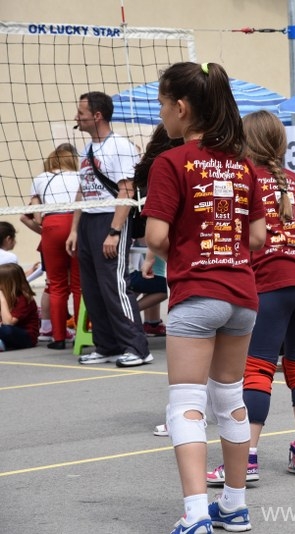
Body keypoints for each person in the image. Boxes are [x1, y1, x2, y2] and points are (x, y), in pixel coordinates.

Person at [142, 61, 266, 534]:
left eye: (162, 105)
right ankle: (234, 505)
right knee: (230, 398)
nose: (161, 114)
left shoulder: (171, 162)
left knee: (186, 405)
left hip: (197, 293)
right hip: (242, 295)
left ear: (180, 107)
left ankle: (195, 514)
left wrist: (187, 251)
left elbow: (156, 237)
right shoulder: (243, 163)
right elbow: (257, 238)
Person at [205, 110, 295, 485]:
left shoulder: (242, 178)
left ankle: (247, 457)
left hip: (274, 278)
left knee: (257, 368)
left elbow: (230, 232)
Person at [65, 91, 151, 367]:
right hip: (89, 221)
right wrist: (74, 229)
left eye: (81, 112)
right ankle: (107, 346)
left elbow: (127, 190)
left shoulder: (120, 146)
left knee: (115, 285)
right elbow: (82, 191)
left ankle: (137, 348)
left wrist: (114, 232)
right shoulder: (86, 149)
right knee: (91, 289)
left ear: (97, 115)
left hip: (110, 219)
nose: (77, 117)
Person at [28, 145, 82, 350]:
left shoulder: (40, 178)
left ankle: (58, 338)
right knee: (78, 285)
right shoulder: (79, 176)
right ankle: (82, 334)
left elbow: (37, 216)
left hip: (51, 224)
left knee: (57, 285)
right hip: (76, 222)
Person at [130, 123, 182, 337]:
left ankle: (149, 321)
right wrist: (151, 256)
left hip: (146, 234)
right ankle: (126, 314)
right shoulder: (165, 167)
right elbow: (158, 233)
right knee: (158, 284)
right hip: (153, 235)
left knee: (154, 281)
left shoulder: (153, 166)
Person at [0, 263, 39, 351]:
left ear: (7, 283)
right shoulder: (6, 295)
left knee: (7, 330)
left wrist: (2, 299)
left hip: (26, 337)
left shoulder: (23, 298)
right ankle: (2, 343)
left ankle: (2, 343)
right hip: (6, 333)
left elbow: (8, 323)